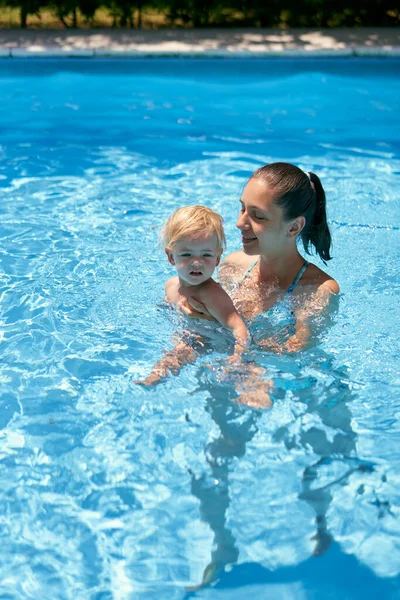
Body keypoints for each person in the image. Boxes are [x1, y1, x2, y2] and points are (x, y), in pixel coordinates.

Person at [179, 162, 339, 353]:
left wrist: (223, 327)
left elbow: (294, 356)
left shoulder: (318, 291)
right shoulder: (233, 266)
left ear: (294, 227)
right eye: (242, 209)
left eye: (258, 216)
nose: (239, 223)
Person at [136, 205, 250, 386]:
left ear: (218, 258)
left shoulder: (211, 294)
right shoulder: (171, 285)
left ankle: (255, 389)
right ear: (171, 256)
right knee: (174, 354)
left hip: (217, 342)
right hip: (191, 337)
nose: (197, 262)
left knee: (245, 374)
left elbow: (239, 328)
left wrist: (238, 356)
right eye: (187, 254)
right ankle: (153, 379)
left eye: (206, 255)